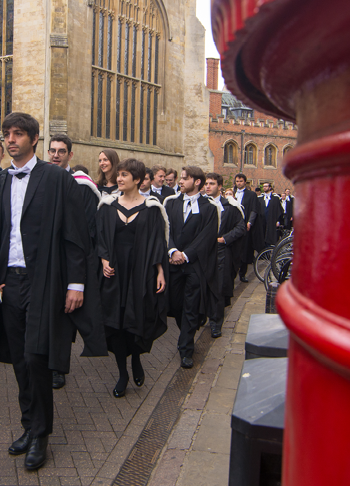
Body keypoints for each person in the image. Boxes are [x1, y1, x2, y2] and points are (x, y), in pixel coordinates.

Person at [0, 112, 106, 471]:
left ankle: (41, 434)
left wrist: (76, 283)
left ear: (35, 139)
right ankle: (28, 425)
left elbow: (76, 235)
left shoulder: (56, 179)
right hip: (8, 281)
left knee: (36, 357)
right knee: (18, 358)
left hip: (45, 279)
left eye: (18, 133)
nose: (10, 139)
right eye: (6, 134)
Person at [97, 159, 168, 398]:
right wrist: (104, 260)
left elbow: (158, 241)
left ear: (137, 179)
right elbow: (100, 238)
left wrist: (160, 271)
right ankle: (122, 373)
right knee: (115, 323)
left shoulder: (151, 208)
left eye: (125, 175)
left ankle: (136, 358)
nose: (119, 178)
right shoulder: (107, 206)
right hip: (115, 273)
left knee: (135, 319)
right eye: (118, 175)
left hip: (140, 272)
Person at [47, 134, 101, 390]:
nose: (55, 155)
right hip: (45, 257)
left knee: (64, 314)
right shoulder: (43, 180)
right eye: (52, 151)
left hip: (71, 258)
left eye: (61, 151)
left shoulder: (82, 185)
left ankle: (58, 367)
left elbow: (88, 227)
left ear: (70, 155)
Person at [164, 166, 218, 369]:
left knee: (191, 306)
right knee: (176, 306)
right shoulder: (171, 204)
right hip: (173, 264)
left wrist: (186, 255)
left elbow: (206, 237)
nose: (180, 181)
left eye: (185, 178)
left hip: (195, 266)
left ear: (197, 182)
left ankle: (186, 348)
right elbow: (165, 228)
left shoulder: (209, 208)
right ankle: (189, 328)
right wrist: (172, 251)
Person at [204, 173, 246, 338]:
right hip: (204, 252)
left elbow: (240, 227)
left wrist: (225, 238)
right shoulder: (200, 204)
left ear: (220, 186)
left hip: (222, 252)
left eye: (212, 183)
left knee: (219, 287)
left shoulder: (230, 205)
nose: (208, 186)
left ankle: (216, 322)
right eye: (206, 183)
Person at [234, 173, 263, 282]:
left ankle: (242, 273)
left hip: (245, 225)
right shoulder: (233, 193)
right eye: (237, 181)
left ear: (245, 182)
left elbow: (254, 210)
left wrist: (250, 222)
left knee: (245, 250)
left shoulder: (251, 195)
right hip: (234, 225)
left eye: (241, 181)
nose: (239, 183)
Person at [261, 182, 284, 246]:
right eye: (263, 186)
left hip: (271, 221)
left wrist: (278, 220)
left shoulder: (275, 199)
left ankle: (268, 252)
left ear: (270, 187)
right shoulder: (260, 199)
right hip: (262, 221)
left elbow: (279, 210)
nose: (264, 187)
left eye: (266, 186)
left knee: (269, 238)